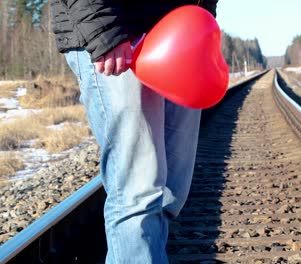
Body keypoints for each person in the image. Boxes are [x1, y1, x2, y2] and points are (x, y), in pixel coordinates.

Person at [50, 0, 218, 263]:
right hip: (119, 36)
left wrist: (201, 18)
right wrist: (105, 30)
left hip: (181, 35)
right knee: (138, 193)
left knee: (170, 193)